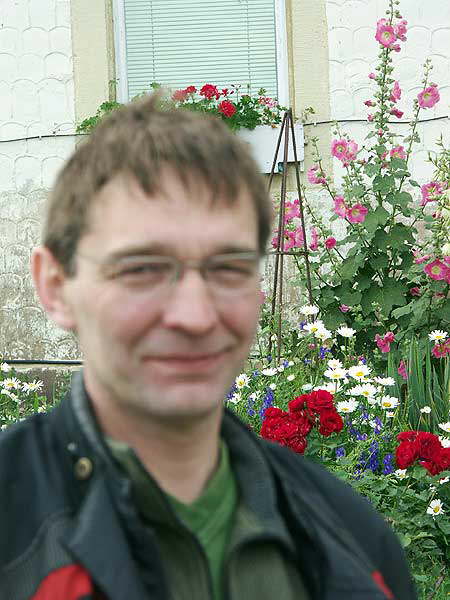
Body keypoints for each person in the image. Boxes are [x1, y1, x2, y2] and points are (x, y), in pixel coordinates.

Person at [0, 94, 416, 600]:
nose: (196, 316)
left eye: (228, 268)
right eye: (143, 269)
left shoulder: (358, 542)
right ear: (56, 286)